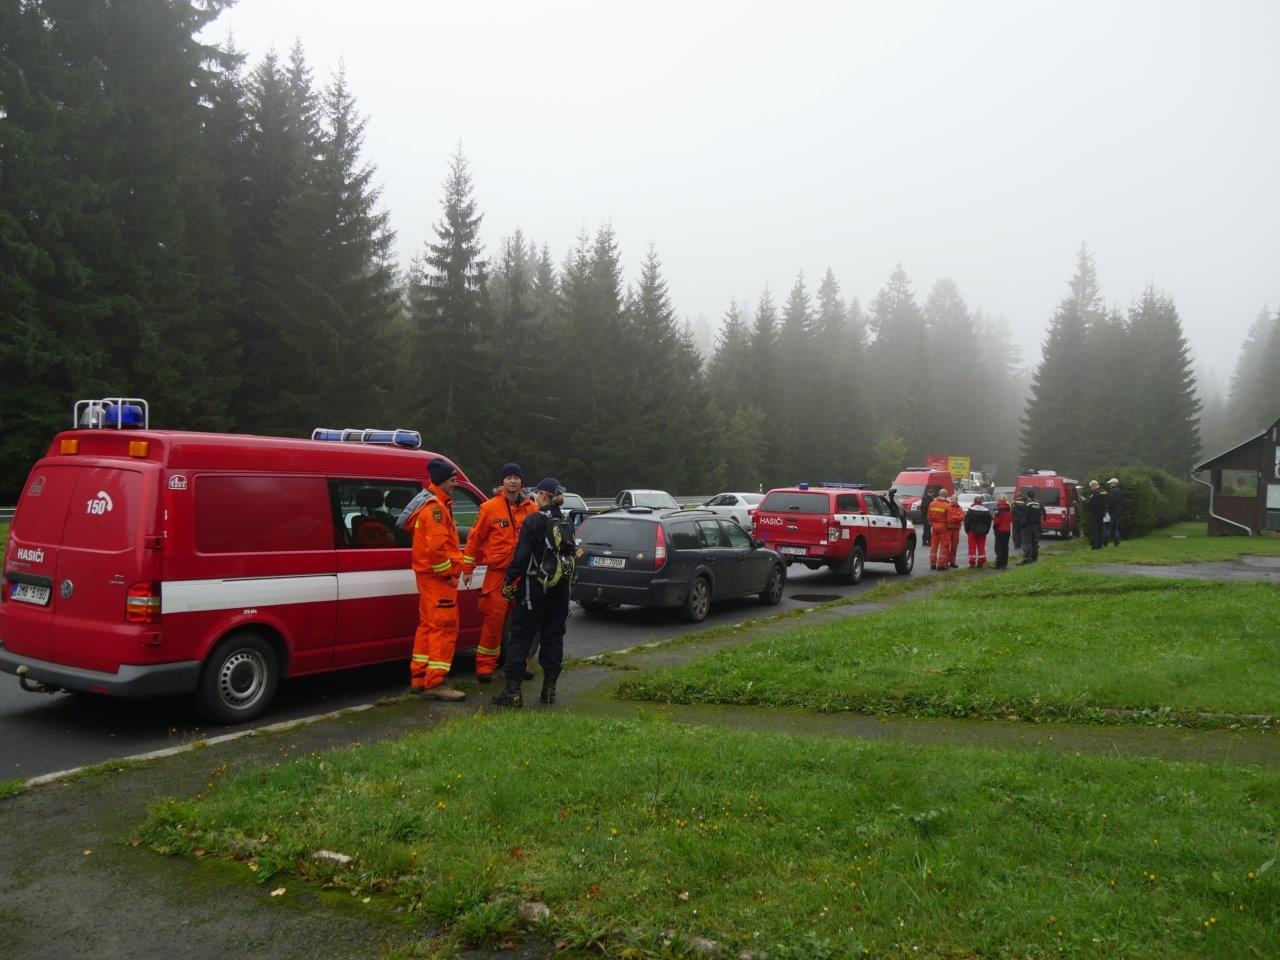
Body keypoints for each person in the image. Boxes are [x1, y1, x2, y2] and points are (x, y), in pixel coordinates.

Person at [494, 477, 575, 707]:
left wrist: (509, 580)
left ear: (542, 496)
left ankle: (513, 692)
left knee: (520, 636)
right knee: (553, 636)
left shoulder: (533, 521)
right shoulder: (567, 521)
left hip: (533, 589)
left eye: (537, 494)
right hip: (560, 589)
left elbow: (521, 557)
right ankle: (549, 689)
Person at [462, 462, 538, 683]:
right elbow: (474, 541)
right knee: (494, 623)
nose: (513, 481)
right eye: (508, 477)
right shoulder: (489, 508)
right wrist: (467, 568)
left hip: (522, 575)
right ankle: (485, 667)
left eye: (516, 477)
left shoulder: (531, 508)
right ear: (502, 482)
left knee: (522, 623)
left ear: (521, 481)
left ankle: (519, 664)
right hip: (498, 575)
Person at [408, 458, 466, 700]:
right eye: (452, 480)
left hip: (428, 580)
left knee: (428, 627)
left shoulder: (432, 505)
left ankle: (420, 678)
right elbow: (436, 551)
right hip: (438, 581)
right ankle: (436, 683)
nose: (454, 484)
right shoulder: (436, 510)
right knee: (443, 629)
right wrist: (448, 574)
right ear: (442, 481)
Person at [963, 494, 992, 568]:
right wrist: (986, 531)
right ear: (981, 502)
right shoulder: (986, 511)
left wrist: (967, 530)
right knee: (981, 547)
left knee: (972, 547)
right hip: (982, 532)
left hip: (972, 531)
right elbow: (989, 522)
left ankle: (972, 563)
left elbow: (967, 521)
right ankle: (981, 562)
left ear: (974, 501)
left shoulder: (970, 510)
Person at [1018, 488, 1044, 564]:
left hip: (1028, 526)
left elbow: (1025, 516)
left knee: (1027, 543)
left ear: (1027, 496)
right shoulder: (1040, 503)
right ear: (1034, 495)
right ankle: (1034, 558)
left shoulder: (1026, 504)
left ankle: (1026, 559)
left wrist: (1022, 524)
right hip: (1037, 526)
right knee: (1034, 543)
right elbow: (1044, 515)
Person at [926, 493, 950, 570]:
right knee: (944, 546)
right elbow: (949, 519)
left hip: (934, 526)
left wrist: (931, 523)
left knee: (934, 545)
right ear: (946, 496)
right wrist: (950, 526)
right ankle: (941, 565)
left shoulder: (932, 503)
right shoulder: (947, 505)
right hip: (943, 527)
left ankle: (932, 563)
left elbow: (928, 516)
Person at [991, 494, 1013, 568]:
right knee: (1005, 547)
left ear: (999, 500)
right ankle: (1004, 564)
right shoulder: (1009, 508)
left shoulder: (999, 509)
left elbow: (997, 520)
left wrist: (994, 526)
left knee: (998, 547)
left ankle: (998, 564)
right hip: (1007, 530)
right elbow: (1010, 519)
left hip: (1000, 530)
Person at [1084, 479, 1106, 550]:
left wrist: (1085, 500)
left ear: (1094, 486)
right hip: (1102, 513)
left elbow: (1091, 503)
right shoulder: (1104, 492)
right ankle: (1100, 545)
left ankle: (1095, 546)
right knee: (1100, 529)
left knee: (1094, 530)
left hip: (1095, 513)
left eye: (1091, 487)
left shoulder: (1095, 493)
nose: (1091, 489)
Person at [945, 495, 965, 568]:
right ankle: (946, 562)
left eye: (956, 499)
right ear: (951, 499)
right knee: (946, 546)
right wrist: (956, 518)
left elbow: (962, 517)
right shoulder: (947, 507)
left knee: (954, 546)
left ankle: (952, 562)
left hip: (956, 529)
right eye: (954, 499)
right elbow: (947, 518)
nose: (955, 500)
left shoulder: (959, 508)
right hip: (948, 529)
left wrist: (954, 518)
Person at [1105, 477, 1124, 546]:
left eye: (1110, 483)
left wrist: (1106, 508)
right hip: (1118, 513)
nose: (1109, 485)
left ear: (1114, 483)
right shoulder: (1121, 492)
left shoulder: (1112, 491)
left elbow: (1110, 501)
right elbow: (1122, 503)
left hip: (1111, 513)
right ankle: (1117, 543)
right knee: (1116, 528)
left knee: (1108, 528)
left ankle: (1105, 543)